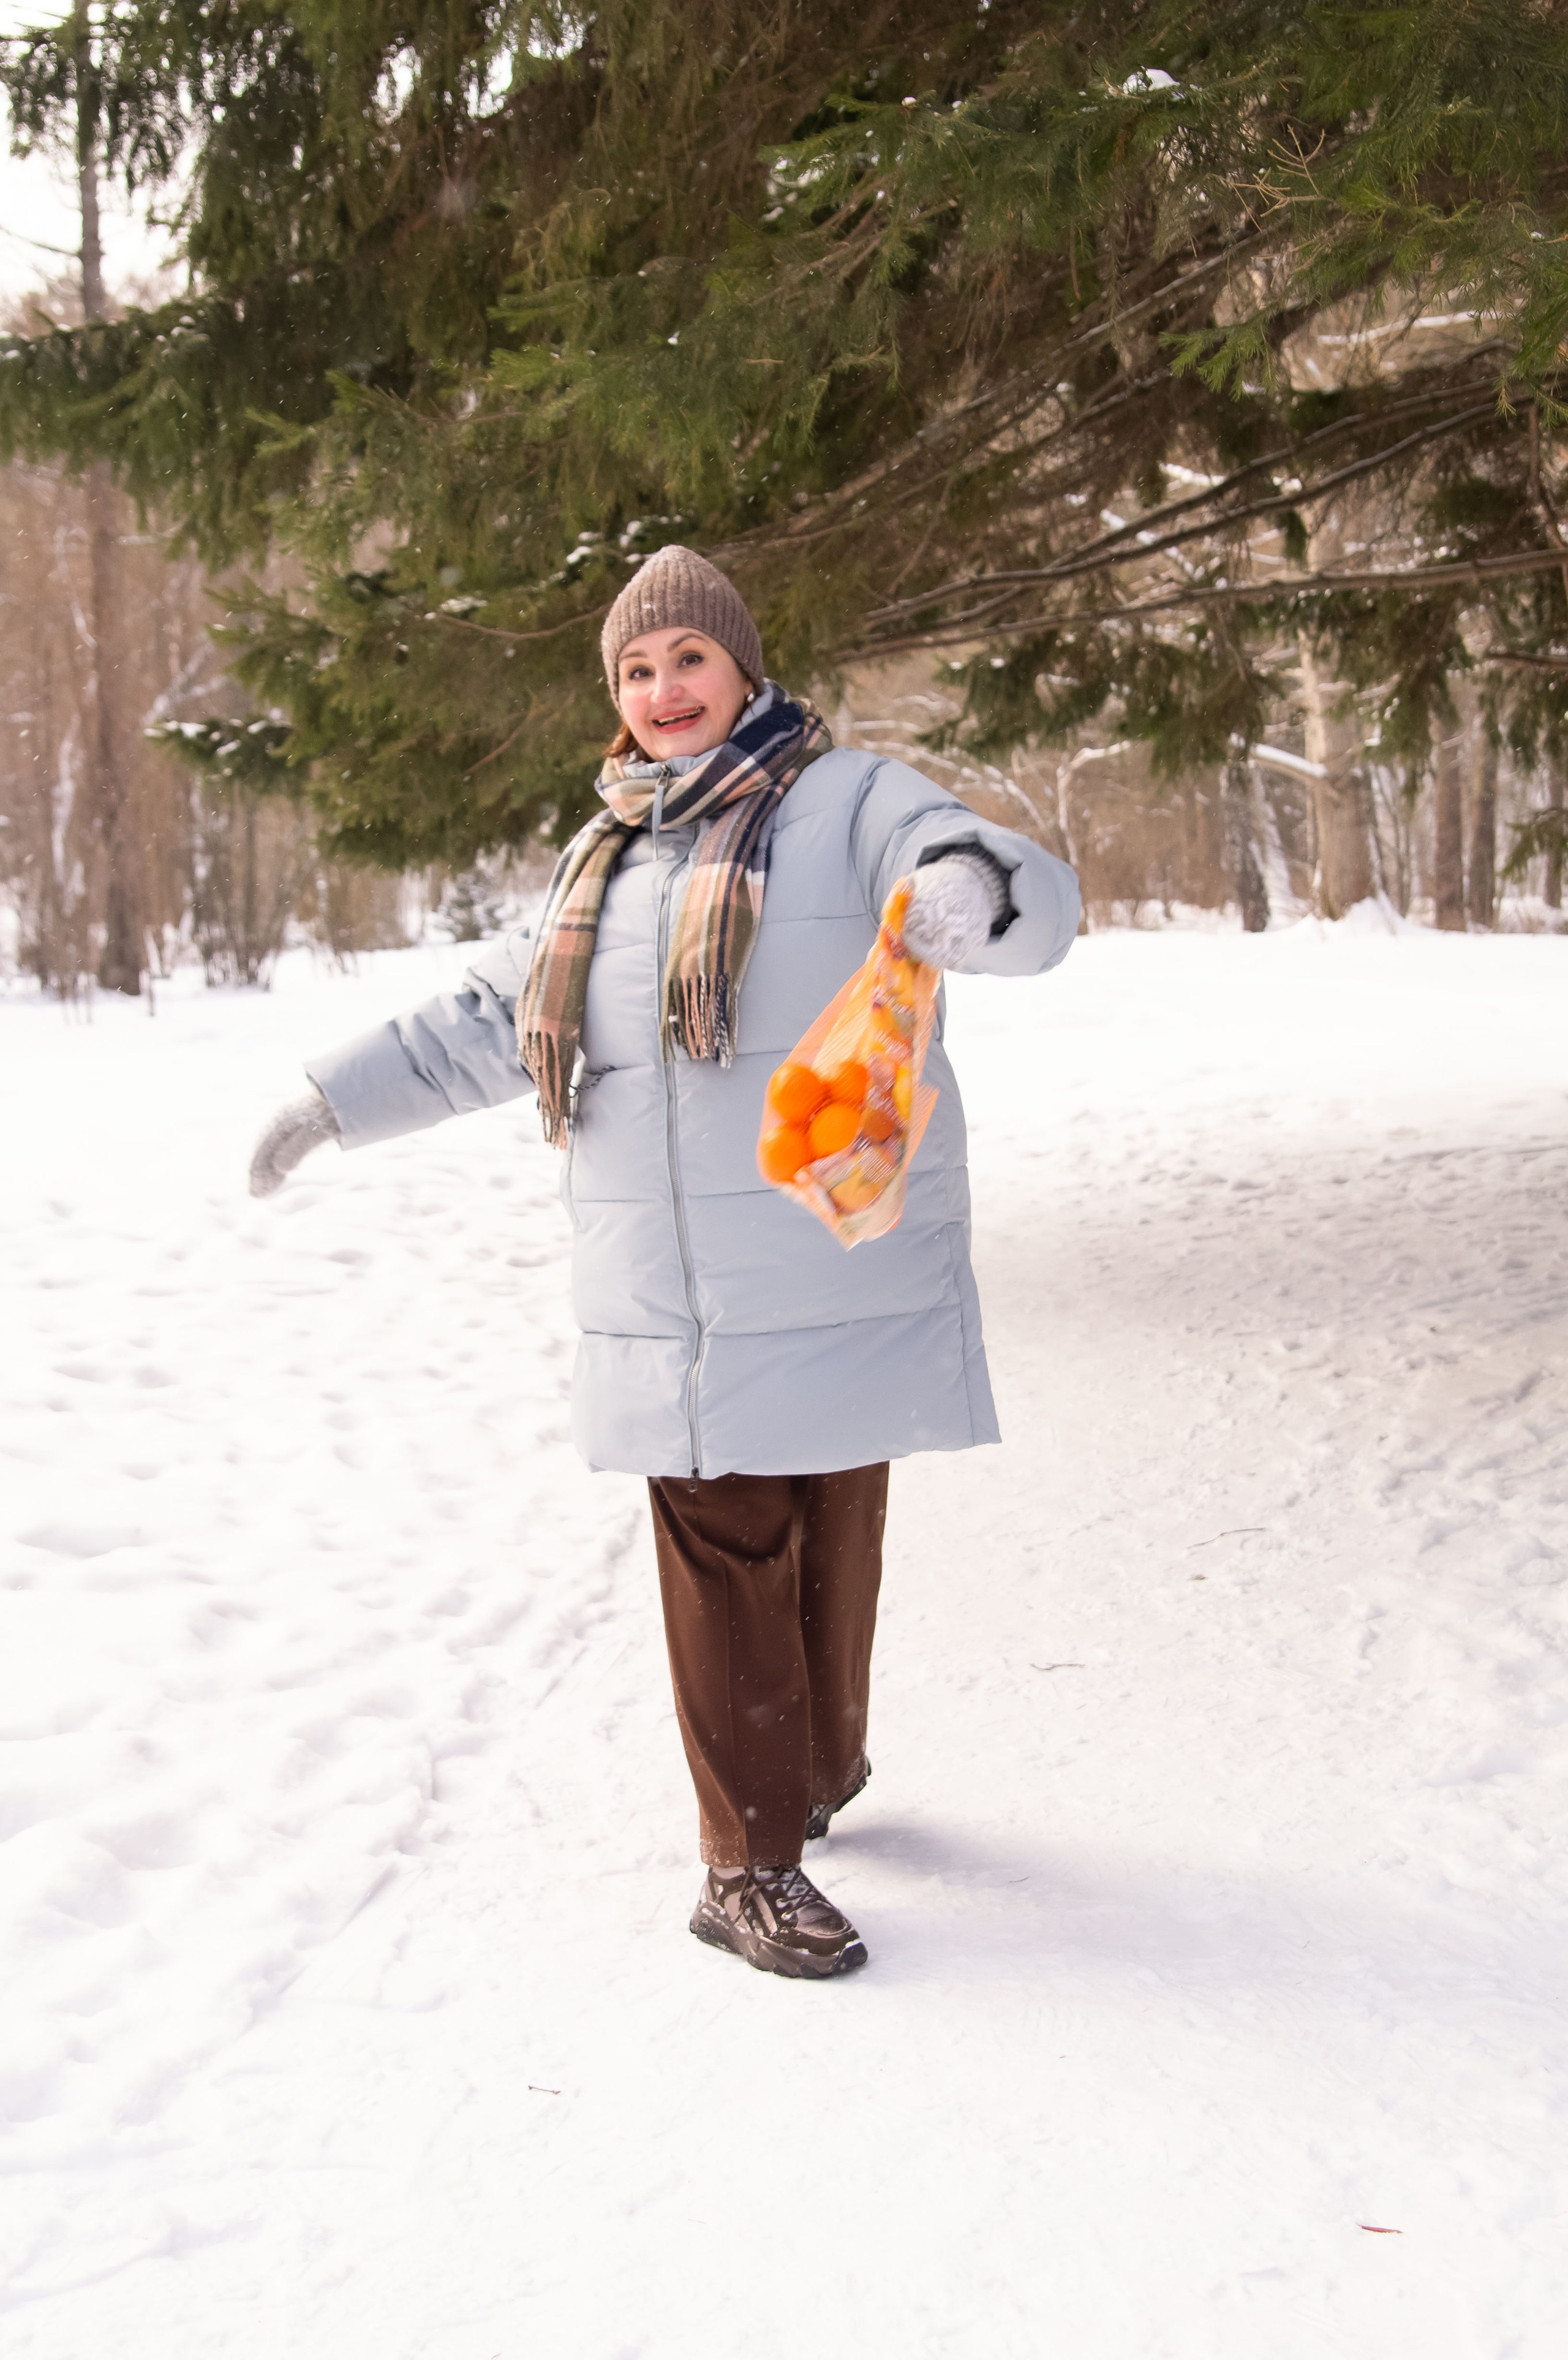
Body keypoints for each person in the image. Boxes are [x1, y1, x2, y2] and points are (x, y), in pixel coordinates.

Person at [251, 545, 1080, 1980]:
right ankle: (752, 1854)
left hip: (823, 1241)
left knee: (829, 1526)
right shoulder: (607, 856)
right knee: (728, 1536)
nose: (660, 690)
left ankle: (799, 1792)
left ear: (742, 668)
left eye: (685, 659)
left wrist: (960, 894)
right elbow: (477, 1021)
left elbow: (992, 874)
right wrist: (330, 1101)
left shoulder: (847, 799)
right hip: (683, 1286)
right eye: (634, 671)